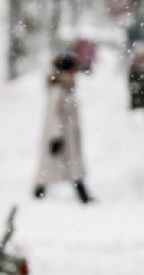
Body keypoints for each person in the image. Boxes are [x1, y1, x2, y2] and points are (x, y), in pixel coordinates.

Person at [34, 53, 93, 204]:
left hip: (67, 133)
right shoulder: (60, 89)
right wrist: (56, 135)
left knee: (66, 165)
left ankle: (80, 192)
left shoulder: (66, 86)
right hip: (61, 134)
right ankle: (39, 192)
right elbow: (54, 114)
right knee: (55, 164)